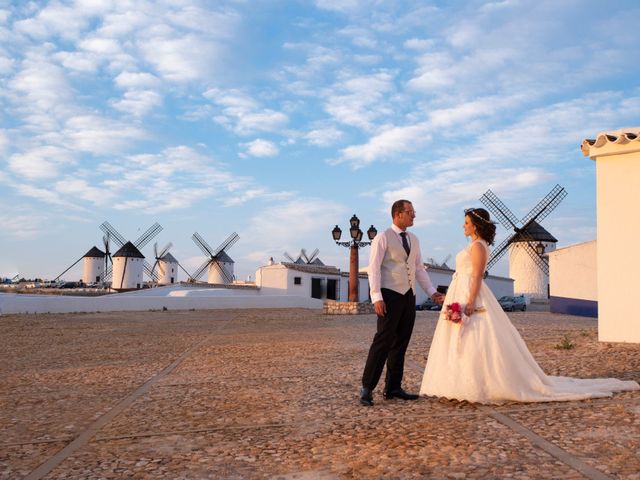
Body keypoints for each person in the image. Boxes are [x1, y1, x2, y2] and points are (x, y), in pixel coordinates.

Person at [420, 208, 639, 403]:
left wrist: (469, 301)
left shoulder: (478, 246)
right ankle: (458, 380)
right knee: (463, 336)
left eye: (467, 222)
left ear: (475, 225)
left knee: (477, 335)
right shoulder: (473, 245)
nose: (464, 226)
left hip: (469, 292)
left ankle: (479, 381)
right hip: (459, 288)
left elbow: (477, 275)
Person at [360, 200, 445, 406]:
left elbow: (418, 269)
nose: (413, 215)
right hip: (389, 295)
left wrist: (432, 292)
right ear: (398, 215)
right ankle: (367, 388)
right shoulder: (382, 237)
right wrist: (376, 297)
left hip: (409, 296)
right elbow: (374, 269)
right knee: (383, 341)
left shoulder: (414, 239)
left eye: (413, 212)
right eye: (410, 212)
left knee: (401, 342)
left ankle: (393, 387)